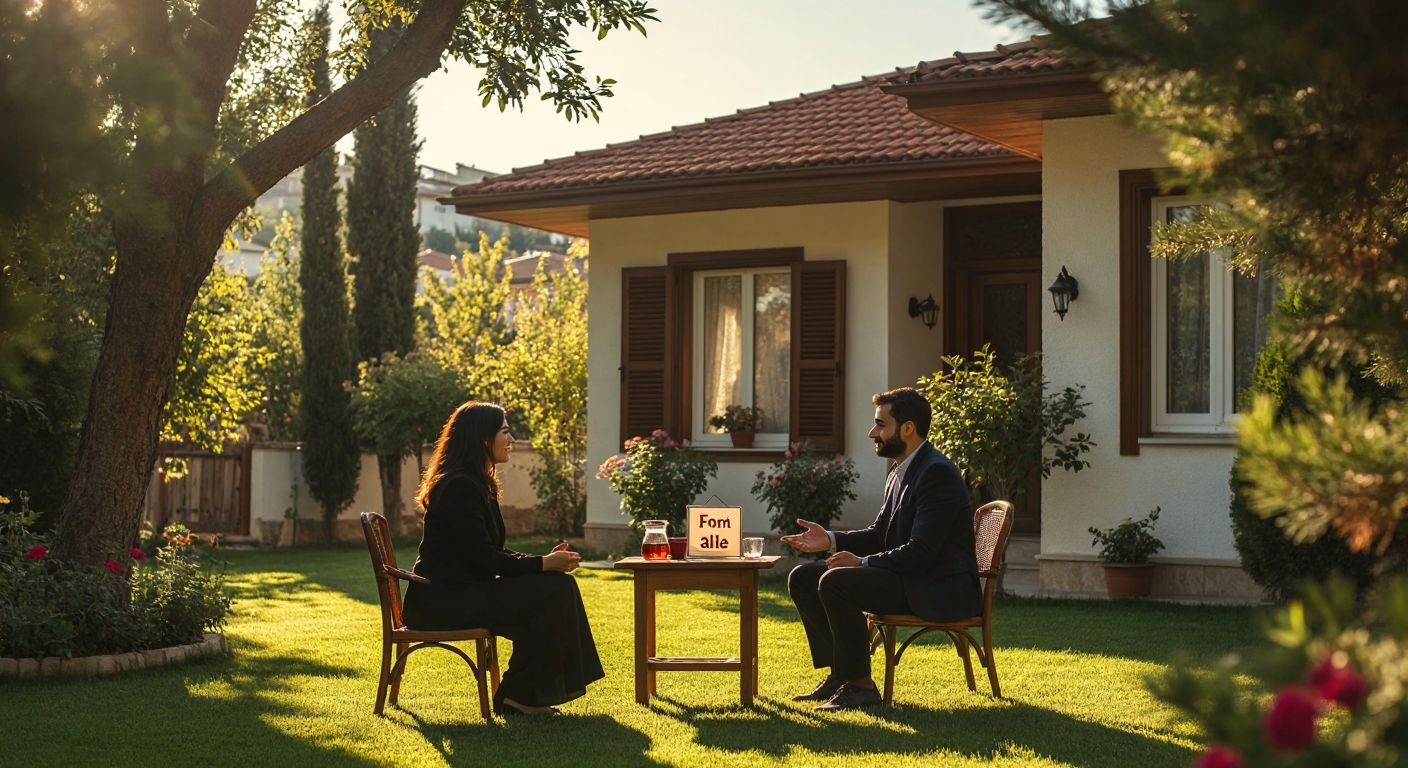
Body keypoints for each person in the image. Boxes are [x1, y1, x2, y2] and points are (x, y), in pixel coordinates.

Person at [780, 387, 980, 711]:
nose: (872, 433)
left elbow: (922, 551)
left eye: (880, 424)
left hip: (936, 587)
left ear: (908, 428)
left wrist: (862, 563)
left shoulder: (936, 473)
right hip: (908, 578)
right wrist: (830, 539)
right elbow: (880, 534)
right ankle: (840, 675)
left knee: (836, 582)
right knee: (803, 577)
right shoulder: (900, 469)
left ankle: (860, 687)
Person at [402, 401, 604, 716]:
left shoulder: (476, 483)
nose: (512, 440)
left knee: (555, 586)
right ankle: (519, 696)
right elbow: (485, 560)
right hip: (443, 602)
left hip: (464, 593)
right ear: (484, 438)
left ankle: (519, 694)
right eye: (505, 432)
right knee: (554, 590)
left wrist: (545, 562)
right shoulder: (459, 486)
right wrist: (543, 564)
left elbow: (490, 553)